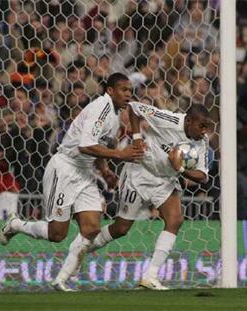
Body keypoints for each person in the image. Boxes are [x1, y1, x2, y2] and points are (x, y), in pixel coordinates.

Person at [0, 73, 144, 291]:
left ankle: (61, 279)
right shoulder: (100, 109)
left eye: (130, 91)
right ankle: (16, 224)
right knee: (57, 234)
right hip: (64, 168)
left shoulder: (114, 114)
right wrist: (120, 154)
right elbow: (85, 146)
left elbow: (99, 145)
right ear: (110, 90)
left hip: (84, 173)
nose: (128, 94)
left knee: (92, 227)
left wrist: (104, 170)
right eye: (123, 90)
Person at [77, 102, 211, 290]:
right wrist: (137, 137)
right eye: (201, 126)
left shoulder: (201, 142)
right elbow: (133, 108)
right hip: (139, 174)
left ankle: (150, 276)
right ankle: (82, 250)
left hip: (164, 181)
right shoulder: (168, 119)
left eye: (207, 127)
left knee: (175, 220)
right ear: (188, 121)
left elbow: (203, 176)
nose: (204, 131)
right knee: (121, 228)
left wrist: (179, 168)